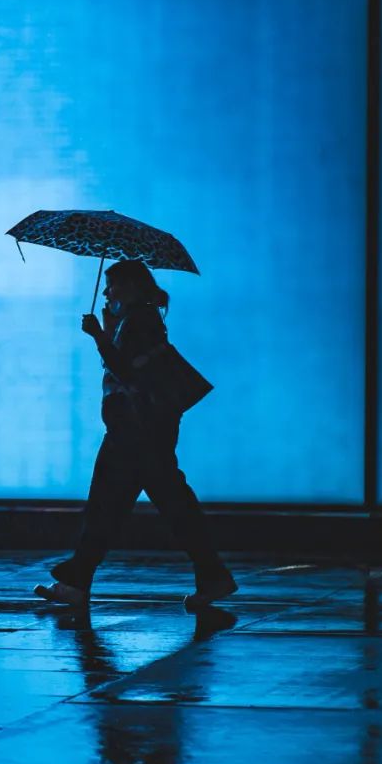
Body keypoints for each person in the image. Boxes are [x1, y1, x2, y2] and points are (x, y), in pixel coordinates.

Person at [35, 258, 236, 613]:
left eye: (111, 285)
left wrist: (99, 336)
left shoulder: (140, 320)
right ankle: (211, 575)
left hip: (135, 430)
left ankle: (78, 581)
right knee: (161, 504)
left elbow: (126, 371)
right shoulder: (139, 319)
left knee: (113, 505)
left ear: (129, 287)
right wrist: (109, 330)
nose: (106, 292)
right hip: (144, 428)